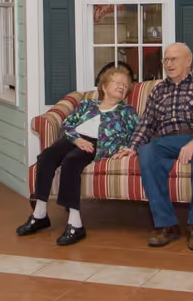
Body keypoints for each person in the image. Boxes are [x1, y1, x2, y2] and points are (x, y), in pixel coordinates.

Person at [18, 62, 140, 247]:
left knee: (71, 162)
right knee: (47, 156)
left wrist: (128, 148)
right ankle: (40, 214)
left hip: (97, 144)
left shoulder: (127, 111)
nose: (122, 87)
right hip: (74, 139)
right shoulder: (86, 105)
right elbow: (67, 124)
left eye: (125, 85)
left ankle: (75, 224)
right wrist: (76, 139)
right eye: (117, 82)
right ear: (104, 86)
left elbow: (138, 133)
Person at [129, 43, 193, 252]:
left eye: (174, 59)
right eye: (166, 60)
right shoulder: (158, 90)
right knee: (147, 150)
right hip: (165, 140)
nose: (168, 64)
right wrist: (132, 147)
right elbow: (146, 124)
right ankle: (166, 225)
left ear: (188, 61)